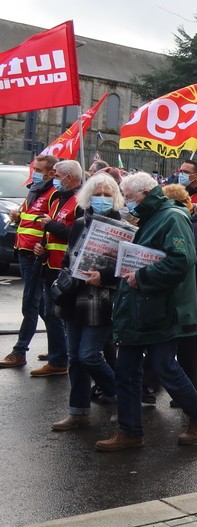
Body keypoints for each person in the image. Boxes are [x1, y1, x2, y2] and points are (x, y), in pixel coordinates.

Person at [97, 173, 197, 451]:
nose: (127, 203)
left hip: (160, 307)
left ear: (146, 193)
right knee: (127, 370)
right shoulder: (152, 217)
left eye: (129, 197)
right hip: (142, 307)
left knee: (164, 365)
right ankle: (130, 430)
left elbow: (181, 260)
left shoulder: (171, 217)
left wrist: (144, 276)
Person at [50, 173, 123, 431]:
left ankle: (122, 396)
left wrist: (102, 276)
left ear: (115, 198)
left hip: (100, 301)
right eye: (97, 194)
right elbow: (68, 258)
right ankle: (78, 411)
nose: (101, 199)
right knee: (75, 359)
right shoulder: (80, 223)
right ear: (87, 196)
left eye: (106, 194)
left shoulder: (123, 227)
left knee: (90, 356)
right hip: (73, 300)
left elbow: (125, 268)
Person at [0, 155, 60, 369]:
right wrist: (19, 216)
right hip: (24, 253)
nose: (33, 173)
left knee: (32, 305)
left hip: (37, 256)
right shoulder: (36, 190)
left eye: (38, 169)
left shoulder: (53, 193)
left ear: (51, 173)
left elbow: (54, 224)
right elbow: (29, 217)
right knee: (44, 307)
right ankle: (59, 352)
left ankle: (20, 351)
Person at [163, 184, 197, 398]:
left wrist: (170, 270)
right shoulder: (178, 222)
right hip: (183, 295)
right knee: (178, 345)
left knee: (189, 346)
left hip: (194, 296)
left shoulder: (195, 225)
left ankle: (195, 394)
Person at [31, 159, 85, 377]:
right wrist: (41, 246)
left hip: (66, 268)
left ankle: (59, 359)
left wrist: (50, 225)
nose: (54, 179)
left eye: (56, 175)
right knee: (51, 313)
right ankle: (59, 354)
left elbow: (78, 234)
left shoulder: (80, 202)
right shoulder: (57, 199)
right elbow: (51, 232)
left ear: (68, 177)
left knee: (56, 315)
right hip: (49, 264)